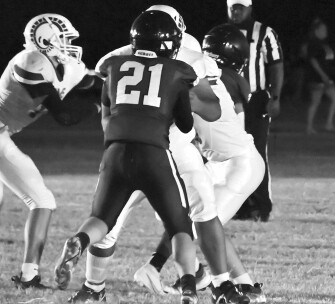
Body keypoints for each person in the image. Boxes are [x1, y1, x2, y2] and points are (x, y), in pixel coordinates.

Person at [67, 6, 249, 304]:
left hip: (131, 144)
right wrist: (177, 96)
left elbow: (108, 106)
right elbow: (209, 112)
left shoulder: (121, 57)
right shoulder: (188, 59)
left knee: (110, 216)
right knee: (197, 215)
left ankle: (92, 287)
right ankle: (213, 286)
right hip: (170, 144)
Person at [134, 23, 267, 303]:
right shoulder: (213, 75)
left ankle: (165, 267)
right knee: (204, 217)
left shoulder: (215, 79)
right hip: (217, 160)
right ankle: (242, 284)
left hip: (239, 163)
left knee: (202, 220)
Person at [0, 13, 100, 289]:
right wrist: (97, 106)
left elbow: (93, 84)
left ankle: (29, 276)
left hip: (2, 135)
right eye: (63, 38)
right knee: (40, 201)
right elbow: (65, 115)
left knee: (43, 201)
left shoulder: (56, 66)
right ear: (46, 39)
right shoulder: (30, 61)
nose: (68, 44)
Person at [227, 0, 284, 222]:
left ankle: (262, 205)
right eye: (233, 6)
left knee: (257, 152)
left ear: (250, 8)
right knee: (231, 154)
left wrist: (275, 97)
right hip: (229, 100)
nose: (236, 10)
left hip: (257, 98)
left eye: (240, 6)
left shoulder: (264, 32)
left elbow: (276, 66)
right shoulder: (222, 32)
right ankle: (238, 206)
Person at [304, 17, 335, 135]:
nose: (325, 31)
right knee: (315, 101)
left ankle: (328, 124)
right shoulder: (314, 43)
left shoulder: (323, 44)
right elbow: (313, 61)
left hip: (326, 78)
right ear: (316, 31)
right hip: (317, 77)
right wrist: (322, 74)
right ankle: (309, 127)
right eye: (323, 29)